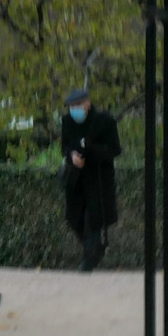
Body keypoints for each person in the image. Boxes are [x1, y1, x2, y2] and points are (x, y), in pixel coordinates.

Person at [60, 88, 121, 272]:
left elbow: (114, 150)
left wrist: (91, 149)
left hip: (98, 179)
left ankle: (89, 261)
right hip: (76, 179)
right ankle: (95, 250)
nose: (74, 110)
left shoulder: (105, 121)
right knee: (74, 218)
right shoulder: (67, 121)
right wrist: (72, 155)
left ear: (87, 104)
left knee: (93, 220)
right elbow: (65, 146)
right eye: (71, 106)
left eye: (78, 105)